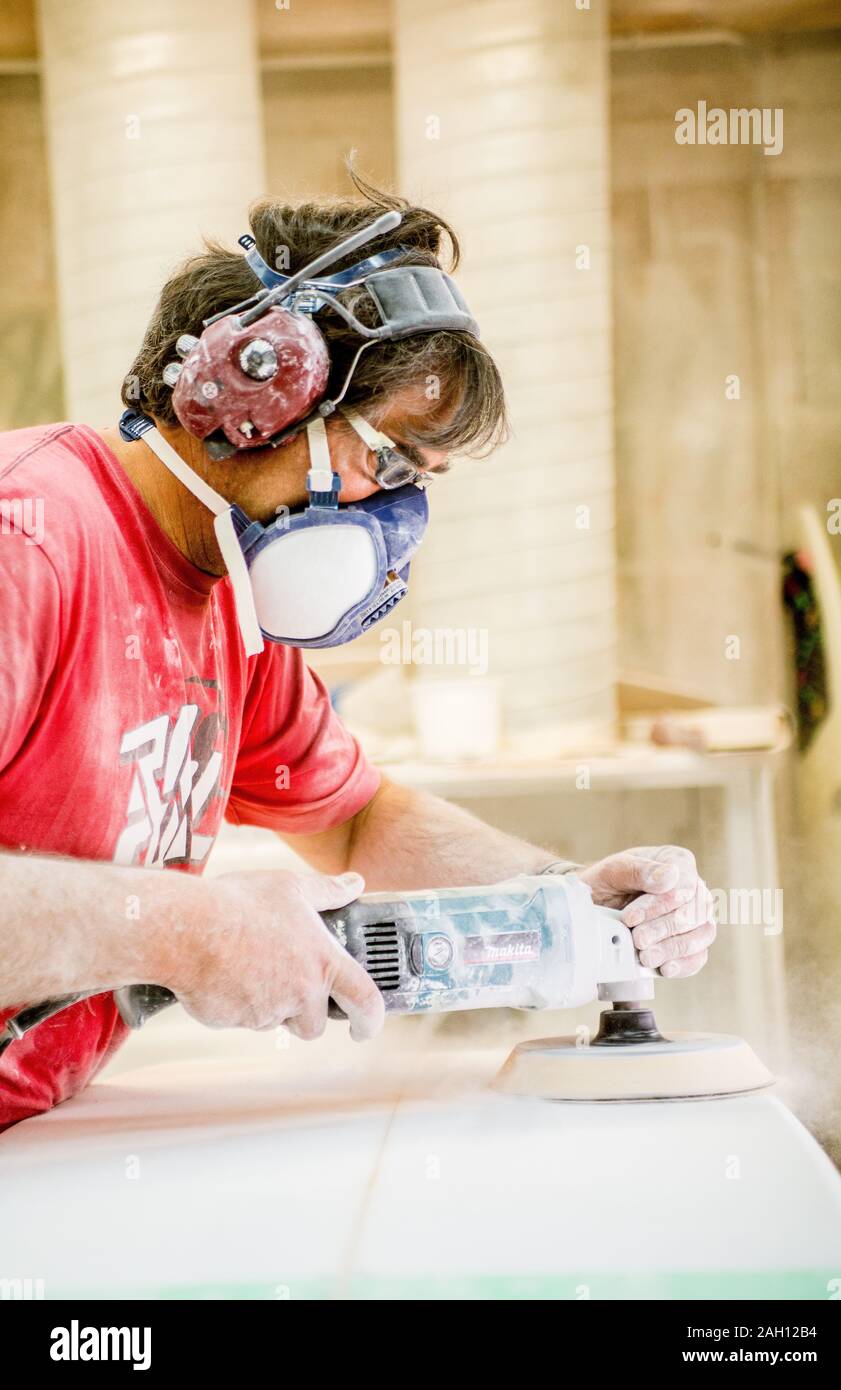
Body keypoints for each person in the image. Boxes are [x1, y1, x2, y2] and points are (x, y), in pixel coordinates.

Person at [0, 179, 716, 1130]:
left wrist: (561, 895)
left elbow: (357, 823)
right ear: (249, 389)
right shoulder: (31, 542)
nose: (398, 516)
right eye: (393, 462)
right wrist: (187, 928)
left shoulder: (223, 594)